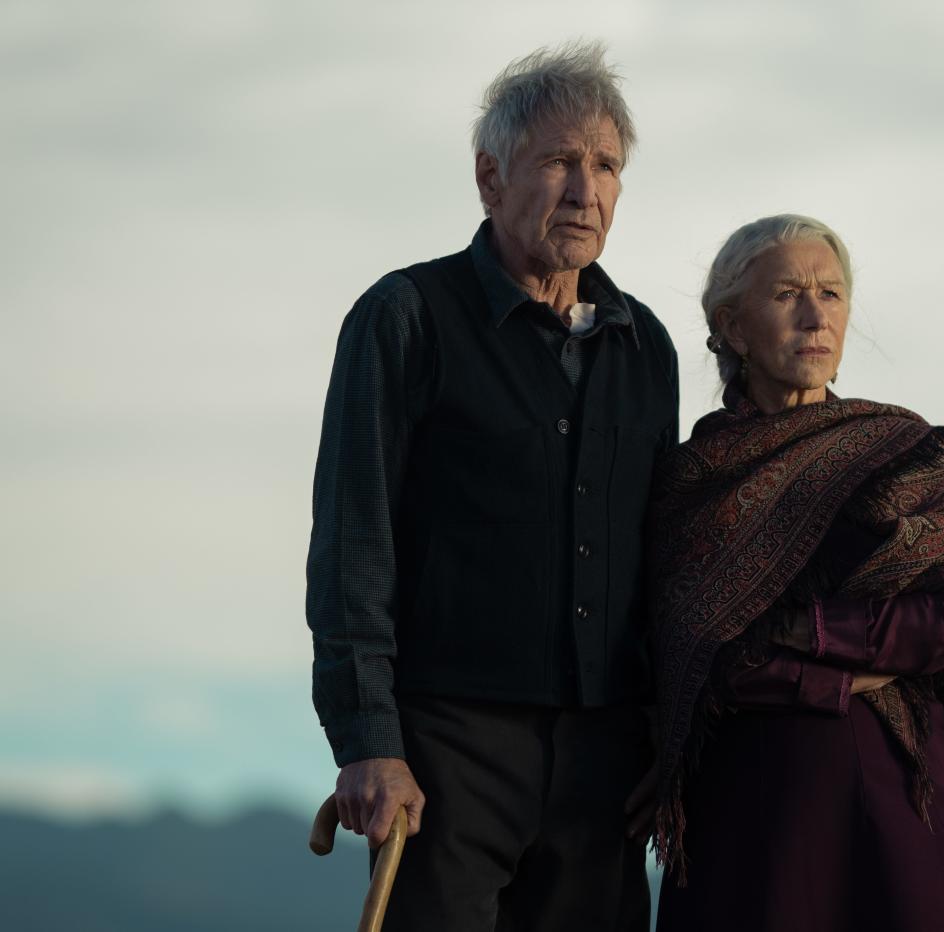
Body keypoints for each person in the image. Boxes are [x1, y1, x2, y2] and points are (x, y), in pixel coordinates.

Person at [305, 42, 678, 932]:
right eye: (557, 161)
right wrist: (369, 742)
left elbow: (666, 563)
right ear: (489, 176)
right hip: (444, 752)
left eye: (606, 165)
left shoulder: (647, 346)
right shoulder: (404, 316)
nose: (586, 190)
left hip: (607, 765)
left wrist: (670, 738)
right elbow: (356, 540)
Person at [647, 215, 944, 931]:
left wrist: (791, 633)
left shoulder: (903, 451)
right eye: (787, 295)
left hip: (904, 817)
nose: (816, 315)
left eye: (832, 295)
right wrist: (840, 676)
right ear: (733, 327)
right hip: (749, 828)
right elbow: (688, 658)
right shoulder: (688, 486)